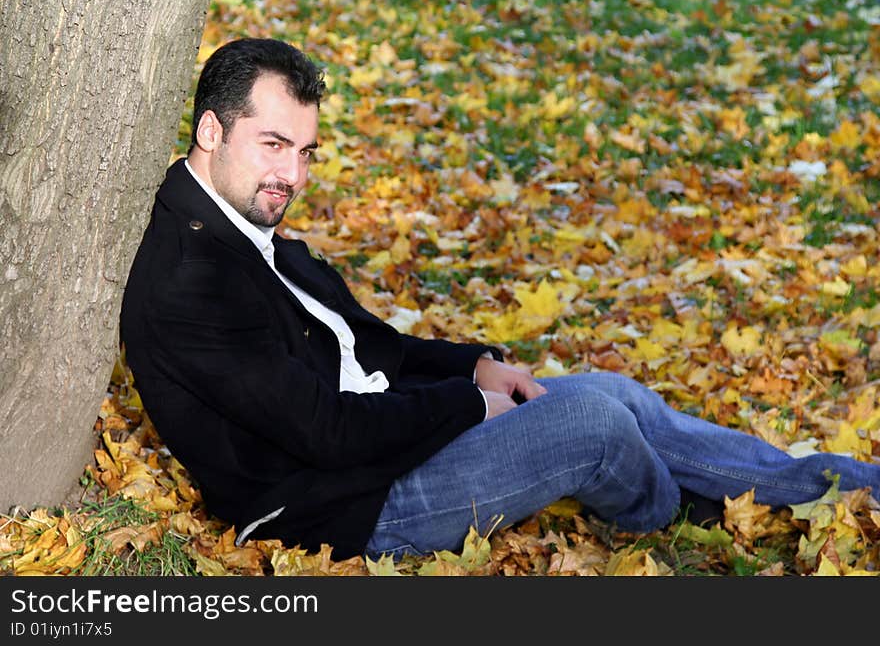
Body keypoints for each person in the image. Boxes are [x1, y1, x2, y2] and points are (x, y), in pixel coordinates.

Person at [120, 38, 880, 561]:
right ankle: (677, 513)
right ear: (212, 130)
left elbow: (372, 347)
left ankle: (833, 483)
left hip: (384, 443)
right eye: (274, 144)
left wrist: (474, 368)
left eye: (306, 151)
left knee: (614, 392)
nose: (293, 173)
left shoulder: (243, 224)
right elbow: (325, 430)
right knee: (590, 424)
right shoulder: (194, 276)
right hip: (345, 506)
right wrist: (470, 408)